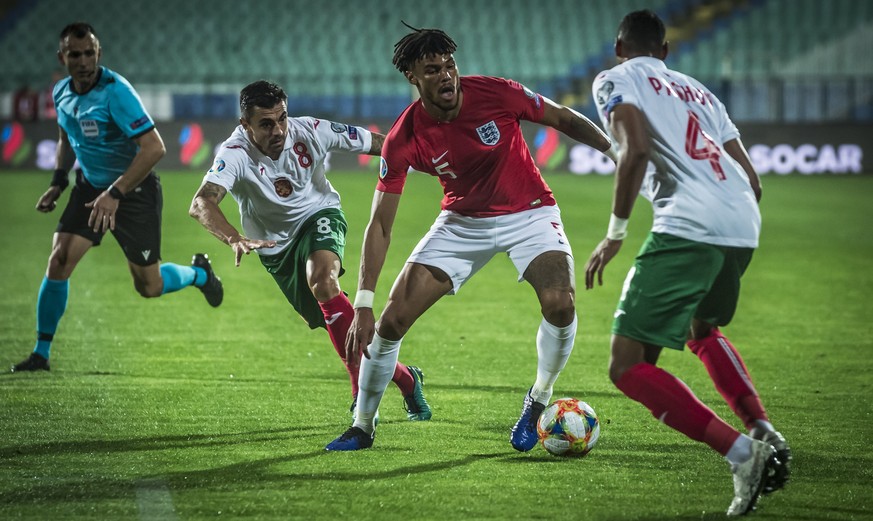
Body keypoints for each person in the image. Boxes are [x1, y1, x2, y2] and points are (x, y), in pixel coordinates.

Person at [325, 24, 616, 451]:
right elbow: (381, 224)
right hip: (461, 223)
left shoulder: (498, 93)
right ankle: (362, 425)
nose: (446, 76)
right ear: (413, 78)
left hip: (530, 212)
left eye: (449, 65)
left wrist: (616, 154)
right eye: (432, 69)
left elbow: (562, 117)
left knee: (561, 303)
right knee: (389, 323)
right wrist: (363, 302)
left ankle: (538, 399)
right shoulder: (404, 137)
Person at [583, 10, 791, 517]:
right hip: (742, 220)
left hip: (687, 225)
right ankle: (763, 427)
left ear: (619, 47)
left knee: (628, 365)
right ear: (666, 51)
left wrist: (614, 236)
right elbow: (752, 179)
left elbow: (633, 151)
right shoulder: (701, 92)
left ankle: (744, 455)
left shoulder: (615, 78)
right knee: (703, 326)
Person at [188, 80, 431, 421]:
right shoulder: (235, 153)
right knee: (331, 317)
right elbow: (202, 202)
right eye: (266, 123)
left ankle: (359, 391)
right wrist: (232, 237)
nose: (279, 130)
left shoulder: (312, 130)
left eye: (282, 118)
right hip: (275, 248)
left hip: (320, 214)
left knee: (323, 281)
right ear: (246, 125)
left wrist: (432, 156)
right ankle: (407, 379)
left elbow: (382, 144)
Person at [10, 22, 223, 373]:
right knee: (59, 259)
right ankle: (40, 353)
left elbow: (155, 147)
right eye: (74, 54)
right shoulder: (61, 92)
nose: (83, 60)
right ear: (62, 57)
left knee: (149, 286)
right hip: (90, 187)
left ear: (99, 53)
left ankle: (199, 274)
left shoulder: (116, 92)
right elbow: (67, 137)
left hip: (133, 191)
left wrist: (115, 193)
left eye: (89, 53)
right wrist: (59, 181)